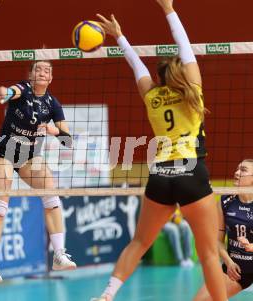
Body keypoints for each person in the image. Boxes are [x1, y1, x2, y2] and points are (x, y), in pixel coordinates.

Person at [91, 0, 227, 300]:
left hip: (161, 175)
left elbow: (136, 66)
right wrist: (168, 9)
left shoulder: (152, 96)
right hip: (190, 172)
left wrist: (119, 36)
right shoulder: (193, 91)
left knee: (139, 242)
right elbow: (185, 45)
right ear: (183, 73)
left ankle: (106, 295)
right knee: (206, 254)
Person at [0, 60, 77, 282]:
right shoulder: (24, 89)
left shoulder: (53, 104)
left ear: (51, 78)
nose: (43, 72)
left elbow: (68, 140)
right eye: (38, 69)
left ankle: (59, 254)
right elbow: (12, 91)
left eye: (48, 70)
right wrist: (4, 93)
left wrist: (54, 130)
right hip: (4, 152)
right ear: (31, 74)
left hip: (28, 157)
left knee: (51, 194)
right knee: (1, 199)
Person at [194, 159, 253, 300]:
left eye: (243, 170)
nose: (237, 172)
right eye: (237, 169)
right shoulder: (225, 201)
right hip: (237, 270)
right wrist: (229, 262)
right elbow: (218, 241)